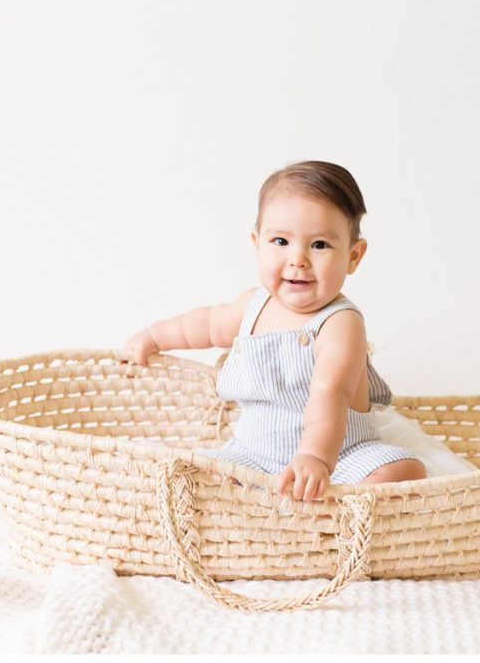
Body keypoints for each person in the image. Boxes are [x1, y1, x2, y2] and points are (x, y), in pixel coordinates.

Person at [121, 160, 426, 502]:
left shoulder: (341, 323)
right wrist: (154, 336)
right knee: (189, 474)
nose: (298, 259)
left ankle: (335, 507)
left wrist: (315, 458)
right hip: (252, 454)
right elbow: (204, 325)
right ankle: (263, 504)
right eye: (281, 241)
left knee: (404, 470)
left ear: (353, 256)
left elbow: (332, 393)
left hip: (338, 457)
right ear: (257, 243)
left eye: (320, 245)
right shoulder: (252, 306)